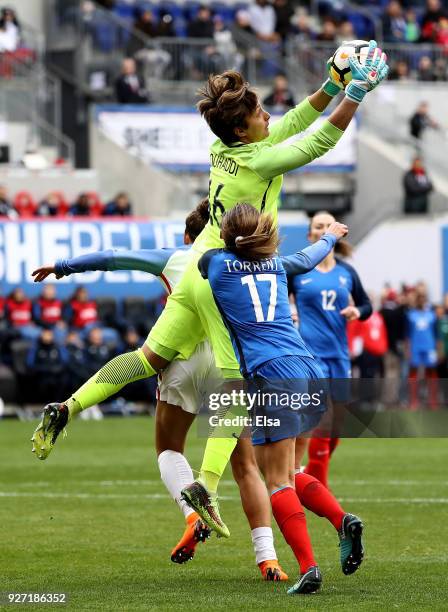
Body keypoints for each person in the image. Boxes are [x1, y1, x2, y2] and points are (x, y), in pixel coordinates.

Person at [31, 46, 388, 536]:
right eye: (259, 112)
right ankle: (206, 483)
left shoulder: (223, 148)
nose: (269, 115)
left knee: (149, 358)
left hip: (196, 269)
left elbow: (289, 126)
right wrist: (355, 93)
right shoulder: (260, 164)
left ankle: (67, 407)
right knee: (236, 383)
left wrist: (330, 85)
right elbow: (315, 142)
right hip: (230, 280)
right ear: (242, 129)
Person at [31, 200, 289, 582]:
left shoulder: (178, 257)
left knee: (168, 448)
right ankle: (267, 559)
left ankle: (191, 513)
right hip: (230, 364)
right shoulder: (247, 262)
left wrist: (64, 267)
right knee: (246, 467)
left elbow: (115, 257)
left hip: (179, 360)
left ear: (189, 236)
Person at [196, 203, 364, 594]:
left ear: (228, 235)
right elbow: (308, 257)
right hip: (308, 368)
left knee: (274, 480)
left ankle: (309, 567)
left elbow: (205, 260)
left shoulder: (216, 265)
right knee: (290, 470)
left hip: (270, 374)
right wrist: (331, 236)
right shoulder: (277, 266)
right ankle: (342, 521)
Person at [288, 211, 372, 488]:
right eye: (318, 226)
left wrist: (356, 311)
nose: (324, 230)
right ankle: (321, 495)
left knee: (335, 430)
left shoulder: (347, 272)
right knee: (322, 425)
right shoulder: (299, 269)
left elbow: (367, 305)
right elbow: (275, 297)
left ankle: (308, 480)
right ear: (311, 235)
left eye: (329, 225)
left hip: (339, 356)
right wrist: (289, 311)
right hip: (311, 357)